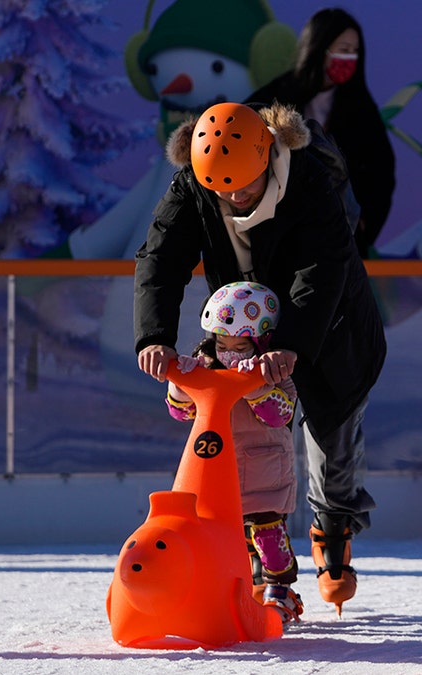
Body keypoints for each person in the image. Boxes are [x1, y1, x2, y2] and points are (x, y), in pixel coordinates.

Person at [134, 101, 387, 615]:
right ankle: (255, 567)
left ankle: (332, 525)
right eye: (220, 188)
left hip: (330, 327)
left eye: (242, 186)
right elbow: (160, 258)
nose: (232, 196)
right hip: (242, 339)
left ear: (268, 154)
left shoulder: (309, 180)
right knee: (246, 446)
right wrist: (153, 337)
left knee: (330, 440)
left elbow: (322, 269)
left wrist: (291, 343)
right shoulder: (193, 187)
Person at [165, 281, 303, 622]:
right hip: (217, 471)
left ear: (260, 342)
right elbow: (180, 412)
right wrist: (183, 382)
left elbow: (279, 415)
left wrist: (254, 384)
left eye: (239, 346)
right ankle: (229, 591)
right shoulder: (205, 364)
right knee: (224, 539)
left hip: (263, 471)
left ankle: (279, 588)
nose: (229, 354)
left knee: (268, 536)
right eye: (222, 344)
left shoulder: (275, 372)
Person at [246, 8, 395, 259]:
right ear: (318, 47)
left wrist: (364, 225)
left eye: (354, 52)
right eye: (343, 50)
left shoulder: (361, 107)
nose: (349, 58)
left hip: (340, 239)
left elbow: (382, 171)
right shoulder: (278, 95)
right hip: (280, 235)